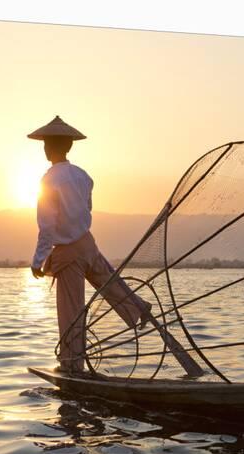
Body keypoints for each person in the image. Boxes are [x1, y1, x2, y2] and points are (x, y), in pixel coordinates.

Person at [28, 115, 152, 374]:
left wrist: (38, 260)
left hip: (69, 250)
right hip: (87, 244)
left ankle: (72, 365)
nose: (45, 149)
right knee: (110, 284)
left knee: (71, 310)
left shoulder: (48, 180)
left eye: (46, 145)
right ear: (69, 146)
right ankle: (138, 307)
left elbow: (47, 225)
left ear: (48, 148)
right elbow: (88, 209)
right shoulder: (83, 176)